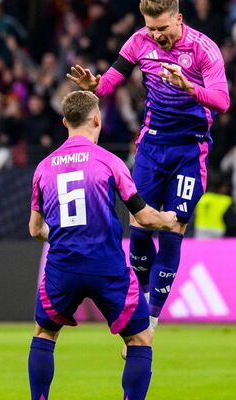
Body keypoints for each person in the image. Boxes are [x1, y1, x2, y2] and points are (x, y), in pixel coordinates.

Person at [66, 0, 230, 329]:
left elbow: (222, 100)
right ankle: (140, 298)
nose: (157, 35)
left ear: (179, 19)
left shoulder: (203, 50)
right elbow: (110, 82)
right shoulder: (139, 41)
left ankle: (151, 321)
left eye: (163, 29)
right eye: (151, 28)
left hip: (188, 149)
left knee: (172, 227)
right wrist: (94, 87)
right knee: (139, 231)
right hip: (151, 147)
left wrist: (189, 86)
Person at [28, 91, 178, 400]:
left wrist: (61, 234)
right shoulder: (110, 162)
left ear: (65, 122)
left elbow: (34, 229)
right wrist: (168, 219)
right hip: (106, 267)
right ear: (97, 119)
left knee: (44, 334)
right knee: (140, 339)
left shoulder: (43, 168)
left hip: (62, 266)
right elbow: (145, 217)